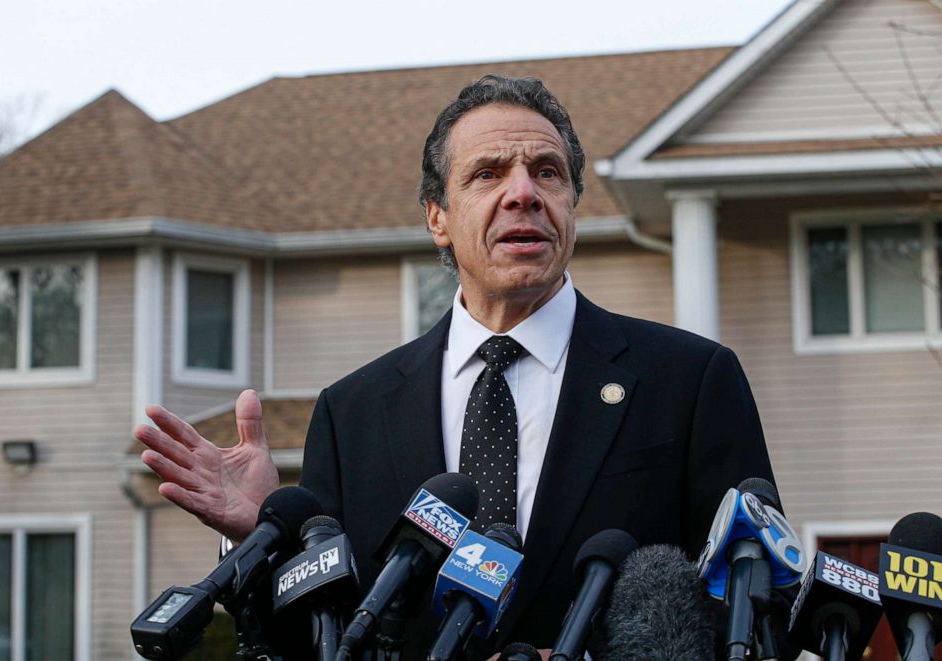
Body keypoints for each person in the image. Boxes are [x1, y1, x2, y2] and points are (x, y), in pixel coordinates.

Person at [136, 75, 776, 657]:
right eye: (488, 174)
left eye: (547, 173)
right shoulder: (352, 412)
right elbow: (315, 638)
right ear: (437, 218)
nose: (522, 193)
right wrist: (261, 535)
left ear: (572, 208)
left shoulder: (690, 381)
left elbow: (753, 612)